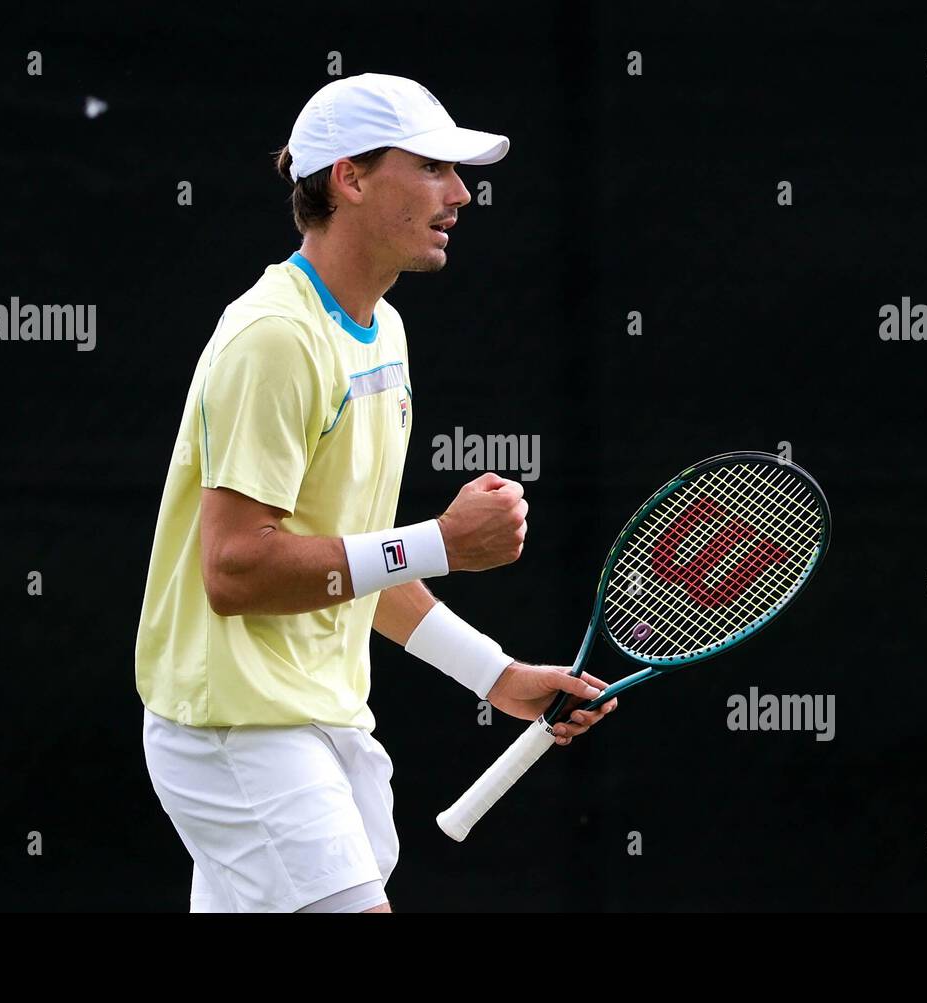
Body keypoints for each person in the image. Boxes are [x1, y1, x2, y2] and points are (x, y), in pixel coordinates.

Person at [136, 72, 616, 914]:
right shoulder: (276, 338)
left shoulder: (381, 329)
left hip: (311, 717)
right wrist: (441, 541)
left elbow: (342, 560)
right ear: (351, 178)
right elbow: (236, 570)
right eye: (432, 167)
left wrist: (496, 675)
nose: (461, 193)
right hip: (238, 728)